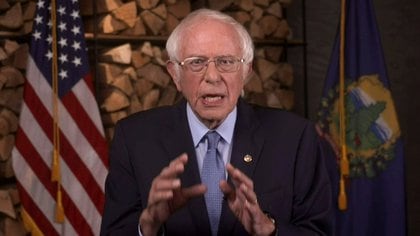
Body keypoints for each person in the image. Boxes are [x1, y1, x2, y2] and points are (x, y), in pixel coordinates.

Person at [100, 8, 333, 236]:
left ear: (246, 72)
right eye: (196, 62)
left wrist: (269, 229)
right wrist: (147, 227)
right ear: (174, 74)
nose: (212, 76)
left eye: (226, 61)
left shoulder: (294, 137)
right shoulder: (134, 138)